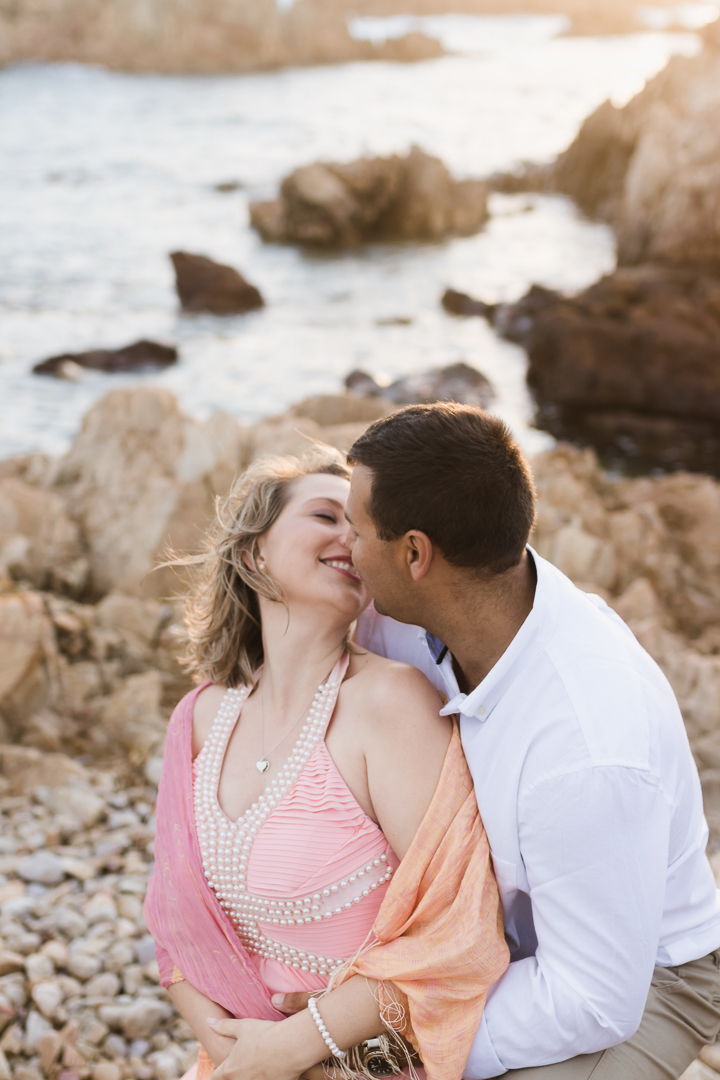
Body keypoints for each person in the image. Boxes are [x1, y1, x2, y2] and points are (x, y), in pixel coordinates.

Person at [317, 402, 719, 1079]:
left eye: (355, 531)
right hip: (506, 943)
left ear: (415, 553)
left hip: (643, 977)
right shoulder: (424, 617)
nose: (344, 550)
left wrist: (387, 1053)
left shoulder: (585, 747)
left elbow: (593, 1001)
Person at [144, 447, 509, 1080]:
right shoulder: (199, 718)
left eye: (363, 528)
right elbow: (175, 927)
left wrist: (295, 1050)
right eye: (325, 516)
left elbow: (461, 935)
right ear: (255, 552)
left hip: (366, 1066)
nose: (352, 539)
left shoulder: (389, 705)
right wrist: (239, 1057)